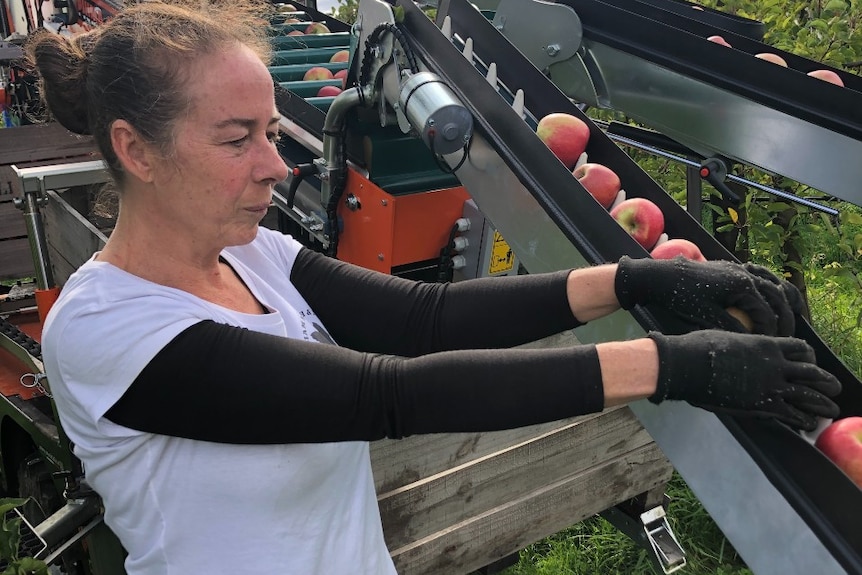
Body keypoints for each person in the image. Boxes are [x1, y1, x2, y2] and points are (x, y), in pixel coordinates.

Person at [26, 1, 841, 573]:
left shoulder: (258, 255)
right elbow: (390, 396)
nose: (275, 166)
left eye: (271, 133)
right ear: (136, 149)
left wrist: (631, 277)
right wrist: (675, 366)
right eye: (238, 139)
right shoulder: (107, 329)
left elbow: (427, 316)